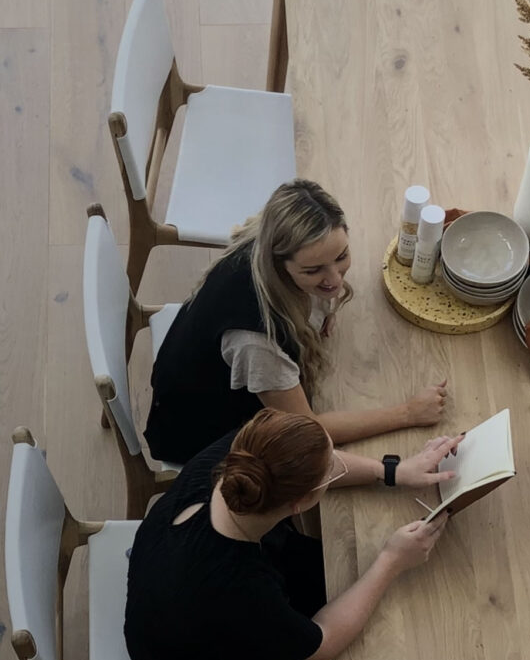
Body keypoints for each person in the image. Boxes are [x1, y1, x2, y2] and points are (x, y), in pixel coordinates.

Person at [125, 409, 459, 660]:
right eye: (330, 470)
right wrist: (390, 562)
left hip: (172, 591)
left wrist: (393, 471)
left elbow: (315, 461)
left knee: (336, 579)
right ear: (302, 502)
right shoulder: (240, 591)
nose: (337, 466)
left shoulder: (241, 458)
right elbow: (321, 644)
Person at [143, 179, 449, 464]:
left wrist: (320, 303)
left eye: (341, 256)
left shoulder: (264, 234)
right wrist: (407, 413)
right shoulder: (258, 341)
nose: (334, 280)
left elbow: (325, 273)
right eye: (313, 270)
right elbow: (308, 429)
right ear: (279, 264)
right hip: (200, 435)